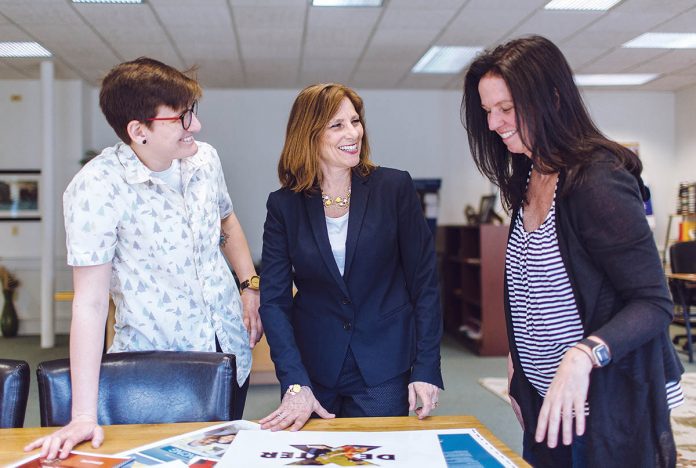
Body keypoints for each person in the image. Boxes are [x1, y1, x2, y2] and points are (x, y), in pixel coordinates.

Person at [462, 35, 685, 467]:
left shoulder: (597, 181)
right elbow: (529, 288)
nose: (494, 123)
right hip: (548, 398)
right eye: (488, 111)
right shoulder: (527, 178)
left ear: (553, 99)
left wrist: (584, 354)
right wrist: (516, 363)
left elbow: (654, 302)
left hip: (607, 396)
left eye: (506, 109)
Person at [25, 57, 262, 460]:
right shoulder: (97, 188)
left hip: (230, 350)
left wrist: (248, 287)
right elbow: (90, 302)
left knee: (225, 458)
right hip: (158, 368)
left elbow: (227, 221)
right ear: (139, 131)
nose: (196, 127)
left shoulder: (204, 160)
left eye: (193, 113)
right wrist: (83, 414)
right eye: (182, 118)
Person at [259, 83, 443, 431]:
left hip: (384, 364)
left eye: (355, 121)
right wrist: (294, 379)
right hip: (314, 367)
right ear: (309, 134)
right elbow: (274, 301)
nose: (353, 133)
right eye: (337, 125)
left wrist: (426, 366)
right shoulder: (284, 205)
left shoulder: (394, 188)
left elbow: (425, 284)